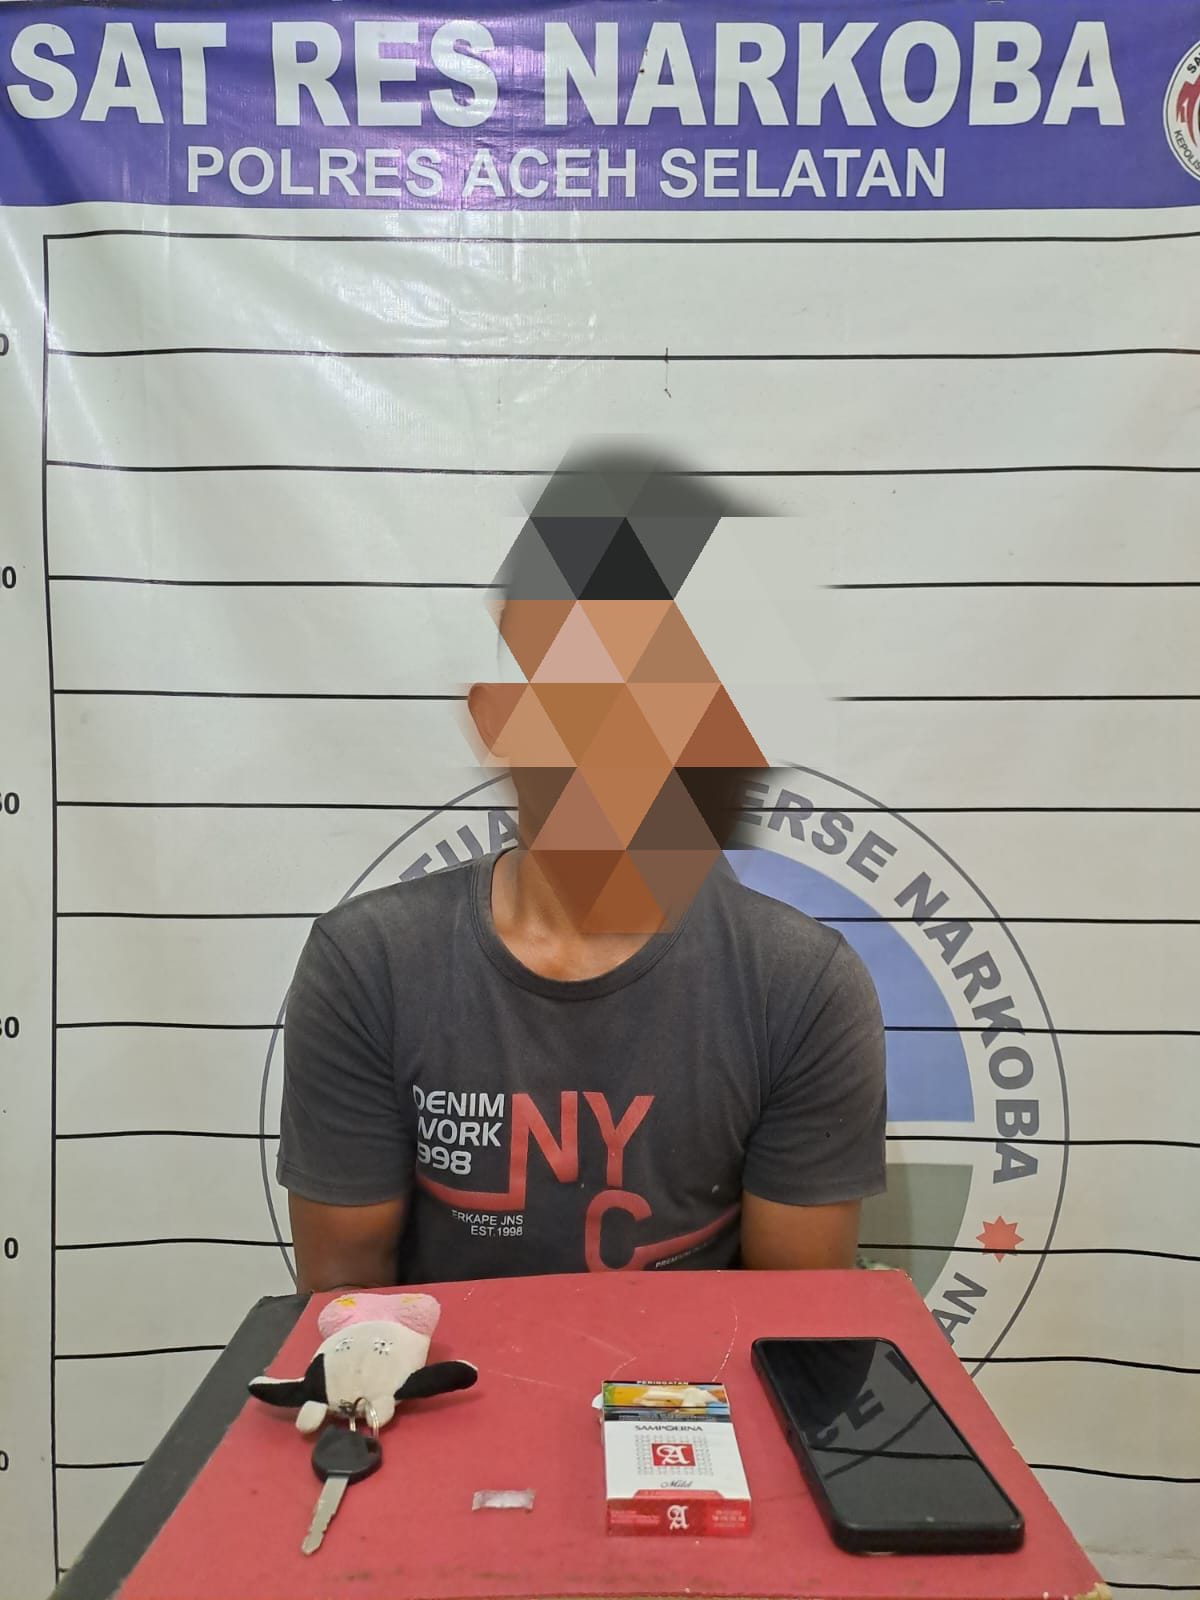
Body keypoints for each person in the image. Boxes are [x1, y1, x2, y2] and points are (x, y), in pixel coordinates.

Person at [277, 450, 886, 1292]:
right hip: (439, 1376)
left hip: (697, 1379)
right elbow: (347, 1306)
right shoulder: (370, 964)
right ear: (498, 719)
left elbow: (795, 1318)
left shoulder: (801, 985)